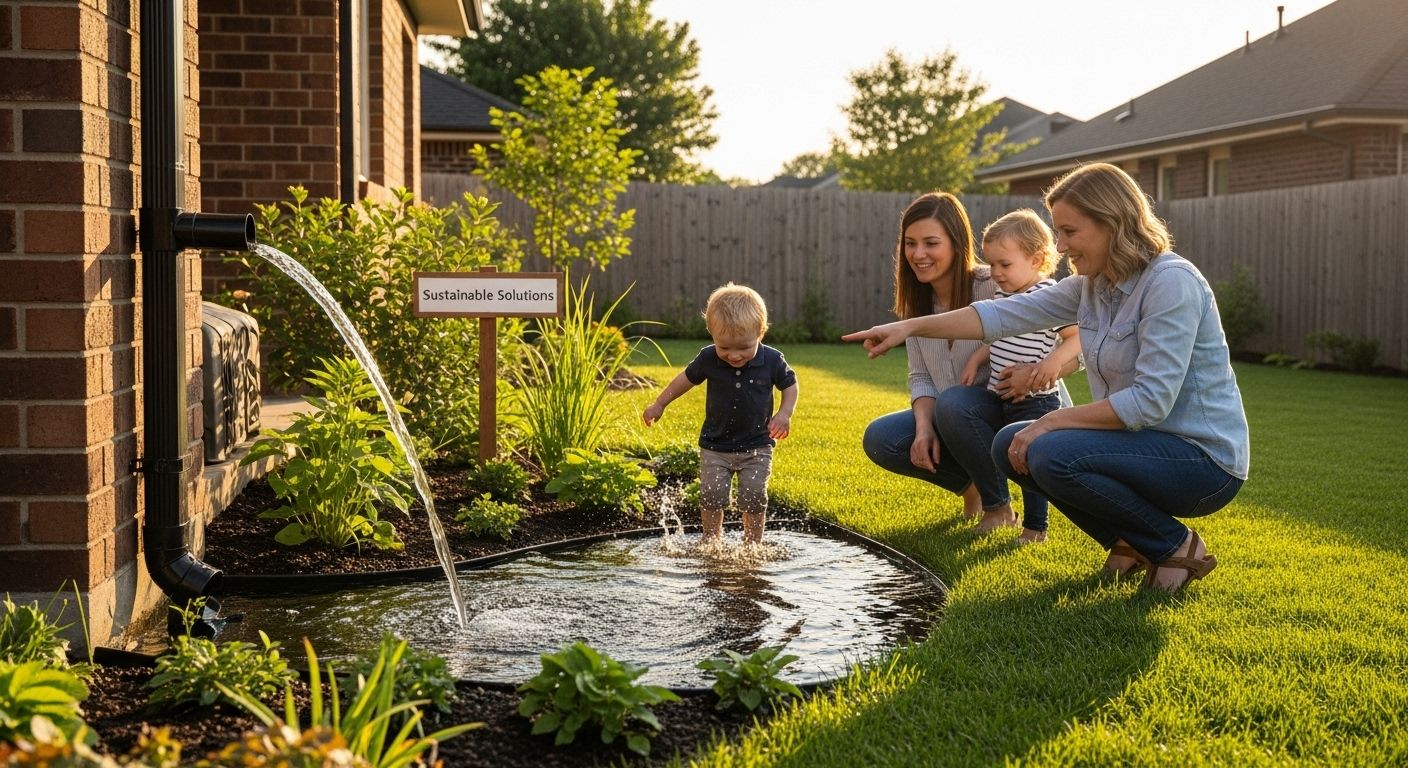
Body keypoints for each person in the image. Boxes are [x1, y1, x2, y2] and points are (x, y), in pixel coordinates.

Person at [844, 163, 1248, 593]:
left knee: (1047, 448)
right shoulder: (1091, 286)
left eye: (1070, 232)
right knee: (1009, 444)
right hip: (1140, 446)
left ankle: (1176, 545)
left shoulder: (1171, 282)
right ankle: (1128, 541)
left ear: (1111, 223)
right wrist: (909, 327)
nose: (1060, 246)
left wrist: (1050, 420)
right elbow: (1001, 315)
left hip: (1199, 461)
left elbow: (1150, 402)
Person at [857, 192, 1078, 524]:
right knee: (882, 438)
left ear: (956, 244)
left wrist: (1039, 373)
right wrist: (922, 429)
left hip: (1019, 405)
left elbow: (1074, 346)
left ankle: (1000, 508)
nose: (918, 254)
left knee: (955, 401)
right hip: (959, 416)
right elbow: (920, 377)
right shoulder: (915, 307)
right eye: (910, 243)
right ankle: (975, 486)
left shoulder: (999, 283)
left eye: (931, 243)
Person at [952, 210, 1082, 544]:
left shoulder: (1047, 296)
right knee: (1012, 457)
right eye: (992, 264)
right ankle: (1000, 508)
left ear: (1036, 258)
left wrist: (1049, 365)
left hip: (1034, 401)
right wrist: (979, 356)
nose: (995, 273)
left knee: (1028, 463)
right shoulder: (1004, 294)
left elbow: (1077, 336)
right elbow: (1000, 335)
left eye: (1004, 265)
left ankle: (1036, 528)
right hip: (1003, 398)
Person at [643, 283, 799, 544]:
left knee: (753, 496)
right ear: (711, 333)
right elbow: (685, 380)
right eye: (724, 347)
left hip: (757, 446)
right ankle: (711, 540)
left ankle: (752, 544)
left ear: (761, 333)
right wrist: (660, 404)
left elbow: (790, 385)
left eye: (743, 348)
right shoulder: (708, 358)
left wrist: (784, 414)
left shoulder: (772, 360)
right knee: (712, 495)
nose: (734, 356)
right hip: (715, 445)